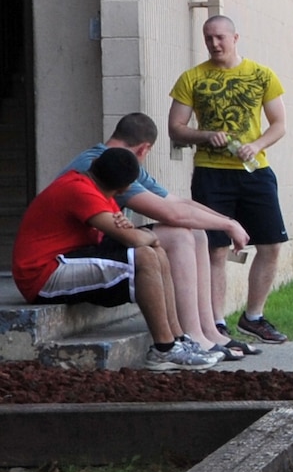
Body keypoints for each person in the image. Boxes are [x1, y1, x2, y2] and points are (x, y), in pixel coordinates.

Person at [67, 112, 261, 360]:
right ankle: (192, 336)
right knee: (178, 236)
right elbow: (172, 214)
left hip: (98, 242)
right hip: (77, 252)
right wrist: (227, 225)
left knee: (197, 233)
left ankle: (209, 332)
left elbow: (176, 202)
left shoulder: (116, 159)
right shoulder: (110, 166)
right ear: (144, 148)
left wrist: (229, 223)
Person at [9, 148, 219, 370]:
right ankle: (164, 349)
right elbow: (132, 238)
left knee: (154, 253)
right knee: (145, 256)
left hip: (65, 259)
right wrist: (148, 236)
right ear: (125, 188)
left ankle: (177, 340)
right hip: (42, 276)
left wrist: (138, 235)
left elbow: (122, 232)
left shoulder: (94, 188)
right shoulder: (79, 190)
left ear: (94, 164)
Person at [167, 14, 291, 345]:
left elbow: (279, 124)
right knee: (216, 249)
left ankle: (254, 317)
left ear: (235, 38)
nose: (214, 43)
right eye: (208, 38)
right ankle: (217, 322)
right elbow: (175, 128)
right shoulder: (192, 78)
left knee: (271, 244)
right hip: (211, 173)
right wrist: (206, 135)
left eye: (220, 37)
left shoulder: (261, 75)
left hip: (254, 171)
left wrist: (257, 145)